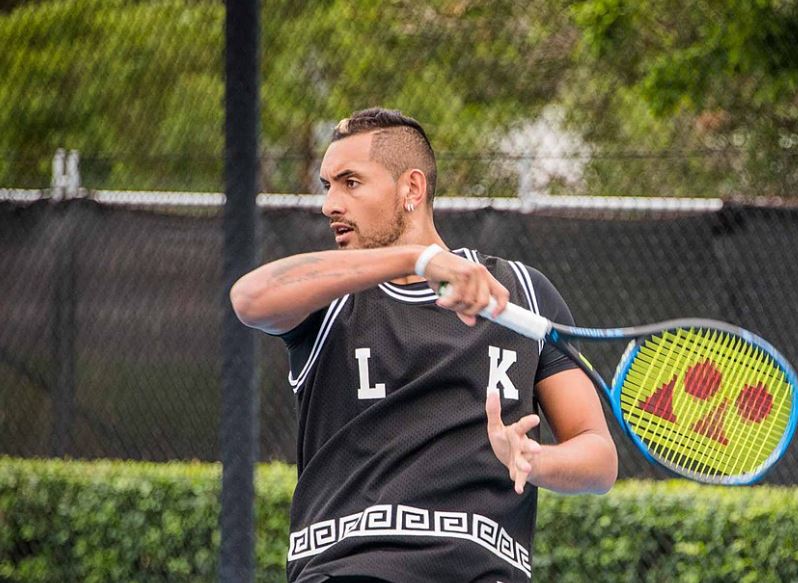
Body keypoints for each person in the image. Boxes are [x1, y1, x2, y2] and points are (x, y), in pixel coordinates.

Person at [230, 108, 618, 582]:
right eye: (327, 185)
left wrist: (536, 460)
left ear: (411, 188)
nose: (330, 204)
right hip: (348, 571)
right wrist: (417, 259)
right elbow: (249, 298)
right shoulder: (328, 296)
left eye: (350, 183)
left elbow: (598, 458)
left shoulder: (523, 294)